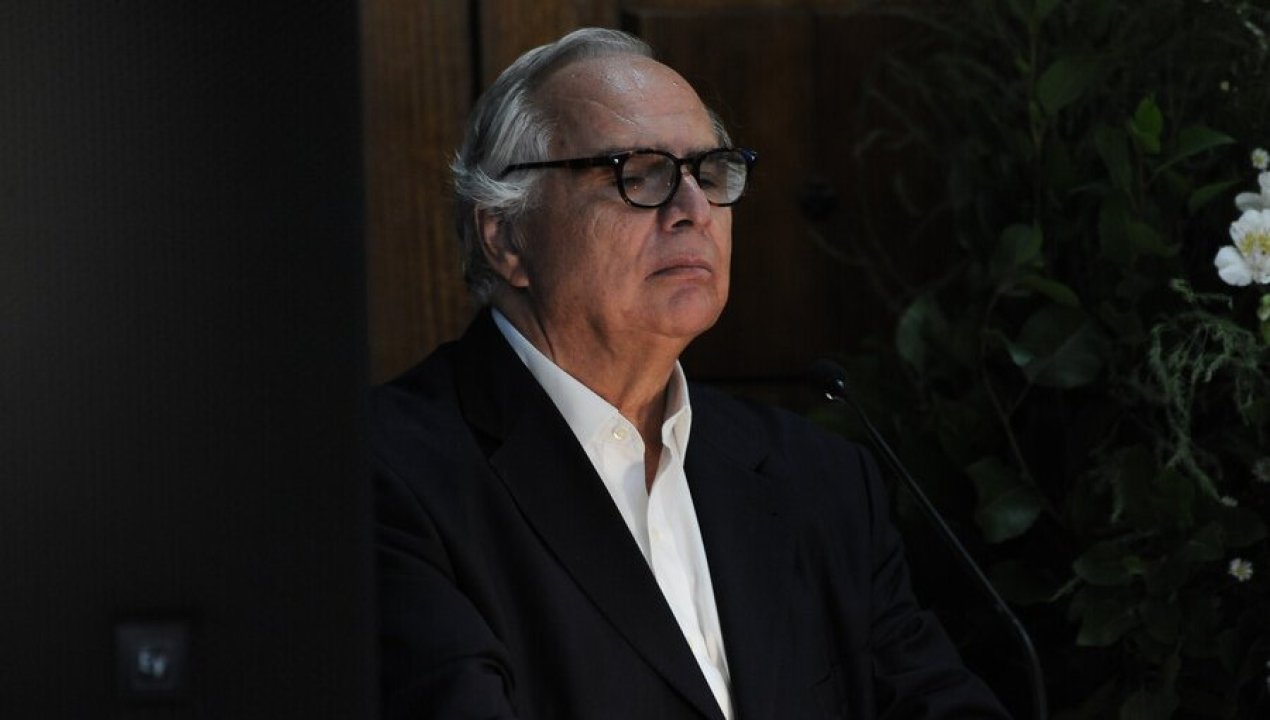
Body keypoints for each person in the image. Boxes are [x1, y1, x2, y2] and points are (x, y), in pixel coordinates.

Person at [372, 27, 1011, 720]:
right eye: (637, 174)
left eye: (710, 173)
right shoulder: (388, 475)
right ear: (505, 236)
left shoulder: (819, 481)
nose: (695, 212)